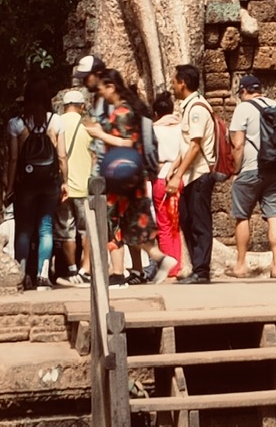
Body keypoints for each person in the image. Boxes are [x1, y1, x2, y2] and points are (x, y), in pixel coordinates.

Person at [82, 69, 160, 285]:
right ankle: (132, 269)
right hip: (126, 174)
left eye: (102, 89)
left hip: (122, 174)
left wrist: (100, 134)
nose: (100, 94)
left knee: (117, 221)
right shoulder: (124, 109)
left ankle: (125, 270)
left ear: (111, 87)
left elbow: (127, 142)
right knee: (126, 222)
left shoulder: (123, 111)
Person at [2, 80, 60, 291]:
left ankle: (23, 273)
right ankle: (43, 275)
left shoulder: (16, 123)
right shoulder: (55, 121)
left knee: (24, 229)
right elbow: (61, 155)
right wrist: (64, 182)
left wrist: (10, 186)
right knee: (46, 228)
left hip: (25, 182)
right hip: (50, 182)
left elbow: (13, 158)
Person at [229, 72, 276, 278]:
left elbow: (238, 144)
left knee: (242, 216)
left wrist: (236, 170)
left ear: (244, 91)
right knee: (274, 215)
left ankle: (241, 265)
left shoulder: (243, 108)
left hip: (250, 169)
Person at [168, 63, 219, 284]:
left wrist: (178, 174)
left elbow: (196, 146)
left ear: (183, 83)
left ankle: (202, 270)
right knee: (187, 219)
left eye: (174, 82)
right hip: (190, 174)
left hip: (200, 173)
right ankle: (196, 267)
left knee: (199, 222)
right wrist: (176, 166)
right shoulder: (188, 107)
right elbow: (187, 144)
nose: (172, 86)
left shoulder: (197, 108)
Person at [47, 86, 92, 286]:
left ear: (64, 106)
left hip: (62, 187)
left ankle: (72, 270)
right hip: (84, 185)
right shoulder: (87, 125)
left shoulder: (55, 123)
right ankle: (86, 269)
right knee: (86, 230)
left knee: (66, 230)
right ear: (81, 106)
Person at [151, 83, 184, 282]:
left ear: (156, 113)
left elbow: (150, 158)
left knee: (163, 224)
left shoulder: (153, 130)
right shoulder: (181, 128)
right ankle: (177, 265)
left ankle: (168, 267)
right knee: (175, 224)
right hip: (179, 177)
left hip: (161, 178)